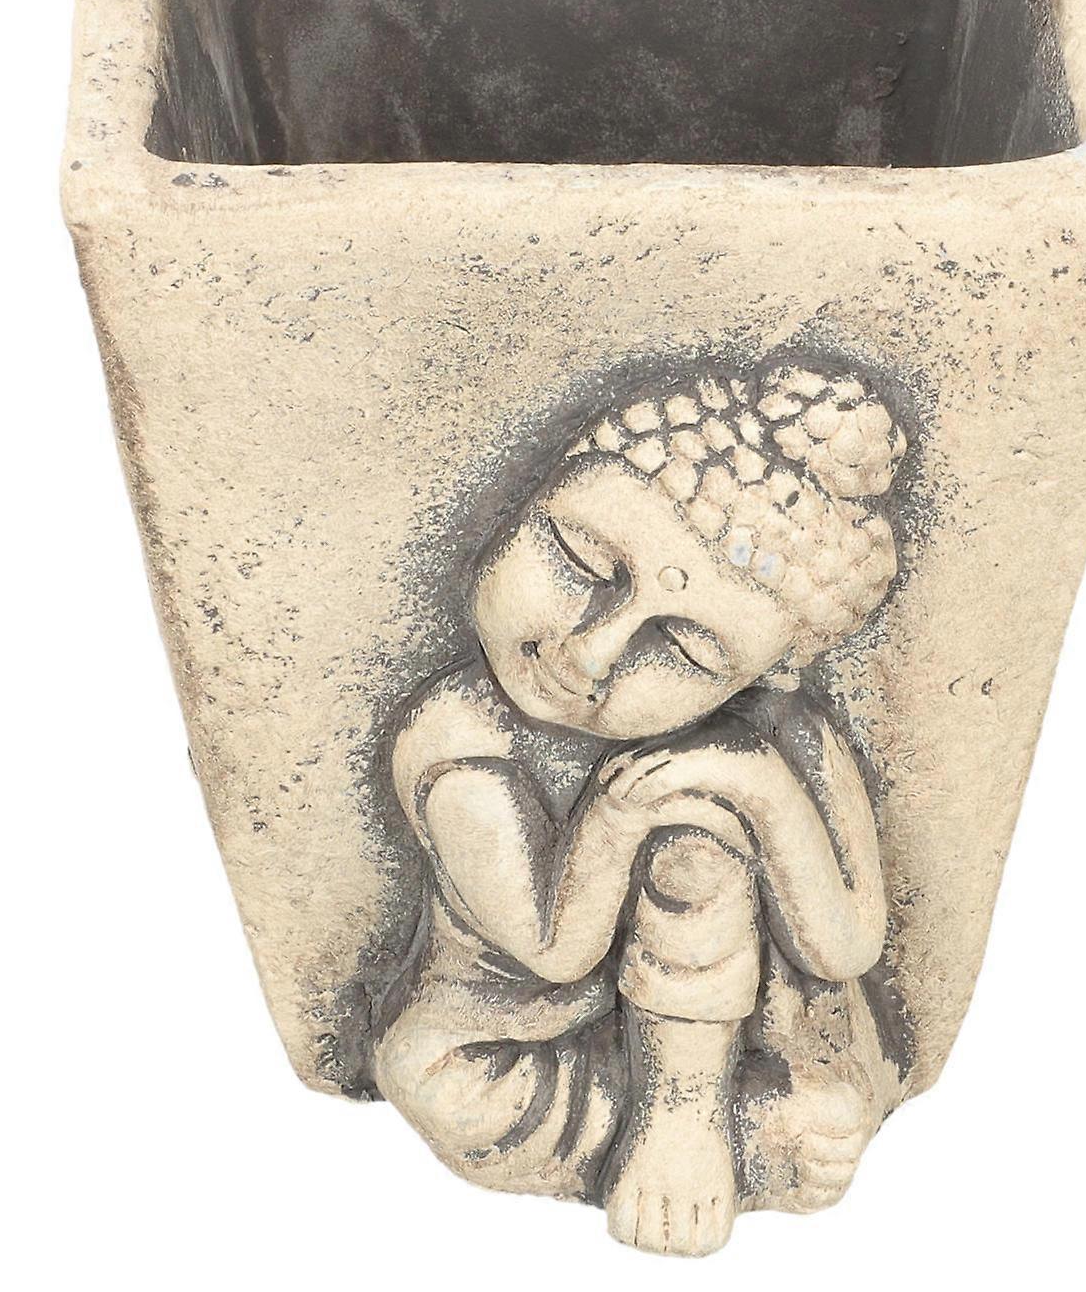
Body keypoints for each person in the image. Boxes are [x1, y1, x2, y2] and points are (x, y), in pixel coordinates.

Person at [374, 363, 909, 1255]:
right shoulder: (461, 738)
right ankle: (727, 1128)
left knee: (699, 838)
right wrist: (613, 821)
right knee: (448, 1095)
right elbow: (555, 949)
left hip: (748, 1028)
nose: (590, 654)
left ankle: (695, 1119)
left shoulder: (783, 728)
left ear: (763, 671)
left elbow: (848, 944)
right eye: (582, 562)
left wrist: (762, 785)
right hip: (517, 1043)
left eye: (689, 650)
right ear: (527, 506)